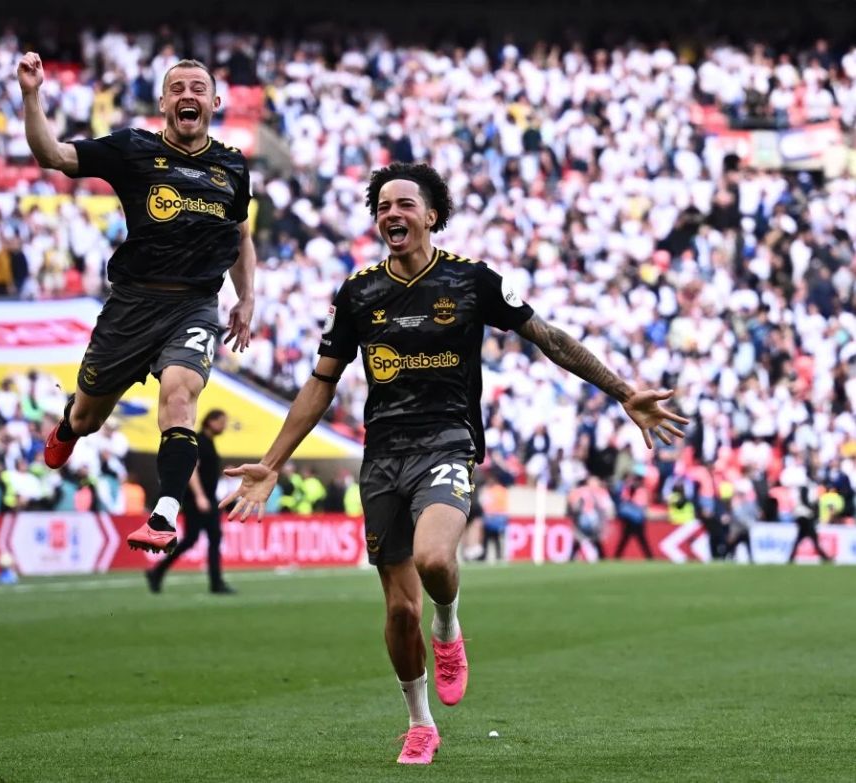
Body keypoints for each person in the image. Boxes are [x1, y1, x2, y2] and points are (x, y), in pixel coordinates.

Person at [222, 162, 689, 765]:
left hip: (448, 441)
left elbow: (549, 338)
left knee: (436, 559)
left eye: (405, 204)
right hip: (382, 455)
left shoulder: (471, 281)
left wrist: (623, 391)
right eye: (383, 206)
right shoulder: (359, 292)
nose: (393, 213)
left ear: (432, 216)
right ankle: (419, 723)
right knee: (397, 609)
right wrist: (272, 462)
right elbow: (321, 384)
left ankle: (449, 623)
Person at [17, 53, 256, 554]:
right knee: (88, 420)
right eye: (177, 88)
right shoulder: (133, 148)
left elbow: (239, 231)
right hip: (132, 306)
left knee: (180, 396)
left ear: (213, 103)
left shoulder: (232, 165)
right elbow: (52, 156)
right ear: (164, 102)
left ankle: (164, 514)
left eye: (198, 87)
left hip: (194, 306)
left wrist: (246, 296)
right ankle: (68, 422)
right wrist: (32, 94)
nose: (187, 95)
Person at [146, 409, 235, 594]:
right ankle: (158, 572)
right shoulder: (200, 441)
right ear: (211, 421)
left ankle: (215, 582)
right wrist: (200, 496)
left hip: (208, 498)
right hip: (198, 500)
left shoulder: (208, 442)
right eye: (222, 421)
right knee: (194, 539)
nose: (224, 426)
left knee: (208, 538)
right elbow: (192, 469)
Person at [568, 475, 613, 561]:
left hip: (588, 519)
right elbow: (608, 506)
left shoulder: (596, 491)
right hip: (591, 519)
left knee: (584, 538)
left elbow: (573, 502)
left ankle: (572, 556)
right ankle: (601, 556)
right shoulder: (597, 491)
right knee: (588, 538)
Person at [613, 468, 654, 560]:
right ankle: (617, 556)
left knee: (639, 539)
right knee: (627, 538)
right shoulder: (626, 489)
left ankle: (649, 556)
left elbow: (641, 504)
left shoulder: (641, 490)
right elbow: (622, 500)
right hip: (629, 519)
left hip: (638, 519)